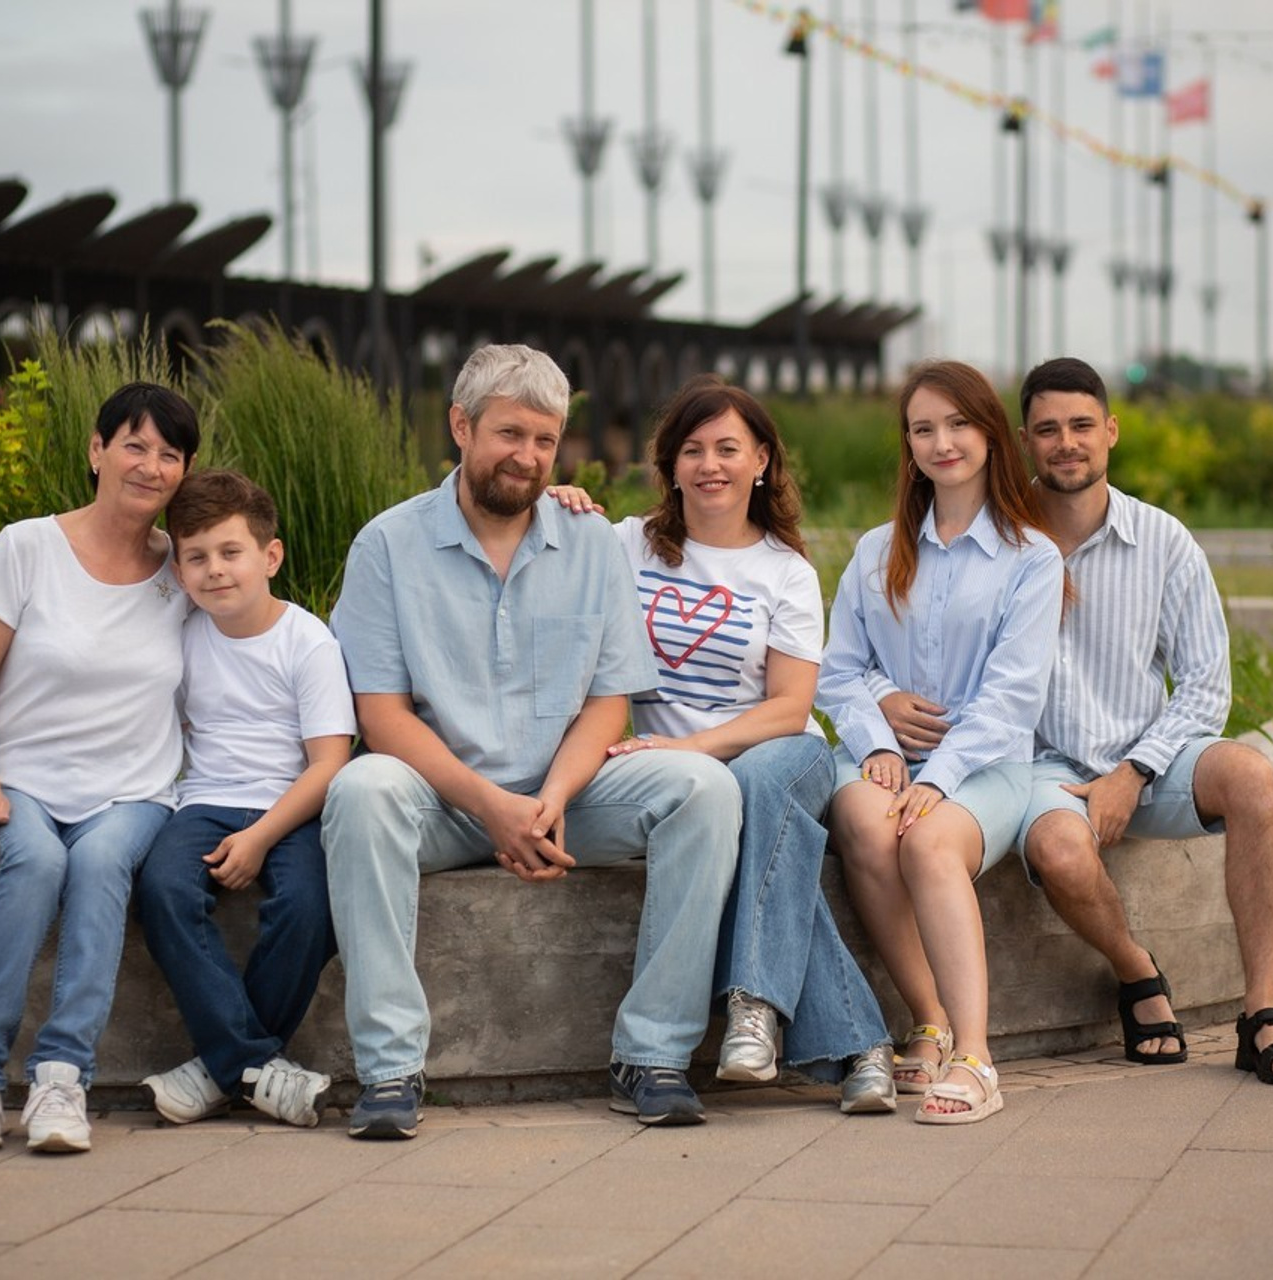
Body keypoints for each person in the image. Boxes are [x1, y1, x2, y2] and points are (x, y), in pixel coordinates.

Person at [322, 344, 742, 1139]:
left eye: (545, 441)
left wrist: (547, 802)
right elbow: (381, 716)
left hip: (566, 802)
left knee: (705, 789)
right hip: (442, 801)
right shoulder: (388, 544)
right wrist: (491, 807)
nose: (528, 457)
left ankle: (650, 1054)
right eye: (510, 434)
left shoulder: (590, 544)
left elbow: (607, 703)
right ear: (460, 426)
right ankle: (389, 1069)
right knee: (360, 788)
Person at [552, 374, 894, 1113]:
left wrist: (693, 745)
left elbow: (790, 706)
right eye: (693, 449)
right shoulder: (626, 546)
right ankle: (862, 1046)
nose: (712, 464)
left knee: (753, 787)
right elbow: (547, 551)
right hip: (684, 782)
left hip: (784, 755)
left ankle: (751, 1002)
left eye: (729, 448)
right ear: (670, 466)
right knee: (745, 831)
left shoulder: (786, 571)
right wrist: (563, 501)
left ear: (762, 459)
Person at [1004, 357, 1271, 1078]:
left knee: (1256, 778)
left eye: (1082, 425)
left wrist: (1135, 770)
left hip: (1150, 758)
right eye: (1049, 429)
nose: (1068, 442)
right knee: (1062, 852)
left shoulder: (1163, 540)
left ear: (1111, 432)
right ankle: (1135, 971)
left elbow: (1208, 684)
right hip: (1041, 769)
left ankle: (1263, 1011)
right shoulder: (997, 541)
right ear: (1026, 441)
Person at [818, 360, 1064, 1125]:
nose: (941, 442)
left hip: (985, 763)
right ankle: (929, 1022)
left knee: (925, 842)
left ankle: (977, 1058)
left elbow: (1013, 698)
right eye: (923, 428)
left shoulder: (1031, 558)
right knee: (864, 818)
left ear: (991, 433)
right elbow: (838, 671)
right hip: (883, 752)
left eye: (958, 424)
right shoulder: (876, 550)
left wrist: (941, 775)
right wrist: (878, 725)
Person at [0, 382, 200, 1154]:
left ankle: (60, 1078)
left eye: (169, 454)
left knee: (103, 862)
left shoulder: (183, 570)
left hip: (134, 791)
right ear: (97, 450)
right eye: (135, 445)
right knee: (38, 863)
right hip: (23, 777)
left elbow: (255, 591)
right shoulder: (26, 546)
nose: (150, 465)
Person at [136, 470, 355, 1128]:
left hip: (292, 806)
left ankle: (218, 1070)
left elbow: (329, 764)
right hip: (202, 803)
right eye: (195, 557)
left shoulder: (306, 642)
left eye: (230, 552)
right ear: (178, 568)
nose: (215, 571)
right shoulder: (180, 636)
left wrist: (261, 837)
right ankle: (255, 1068)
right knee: (163, 889)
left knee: (311, 906)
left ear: (270, 556)